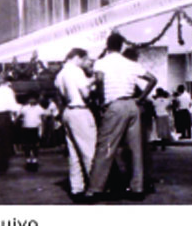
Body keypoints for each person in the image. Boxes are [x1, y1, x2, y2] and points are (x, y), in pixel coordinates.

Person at [85, 33, 156, 200]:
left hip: (114, 105)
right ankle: (137, 188)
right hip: (132, 105)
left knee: (106, 147)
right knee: (135, 148)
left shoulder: (102, 62)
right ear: (122, 46)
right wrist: (141, 98)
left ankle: (95, 189)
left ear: (107, 45)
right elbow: (153, 79)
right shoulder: (131, 64)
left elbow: (100, 81)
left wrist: (101, 101)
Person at [54, 48, 97, 200]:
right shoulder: (76, 71)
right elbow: (85, 93)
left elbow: (61, 96)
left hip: (68, 112)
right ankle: (94, 188)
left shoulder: (60, 74)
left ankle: (76, 188)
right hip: (80, 111)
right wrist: (94, 80)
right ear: (78, 58)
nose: (87, 63)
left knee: (74, 154)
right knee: (89, 151)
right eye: (86, 60)